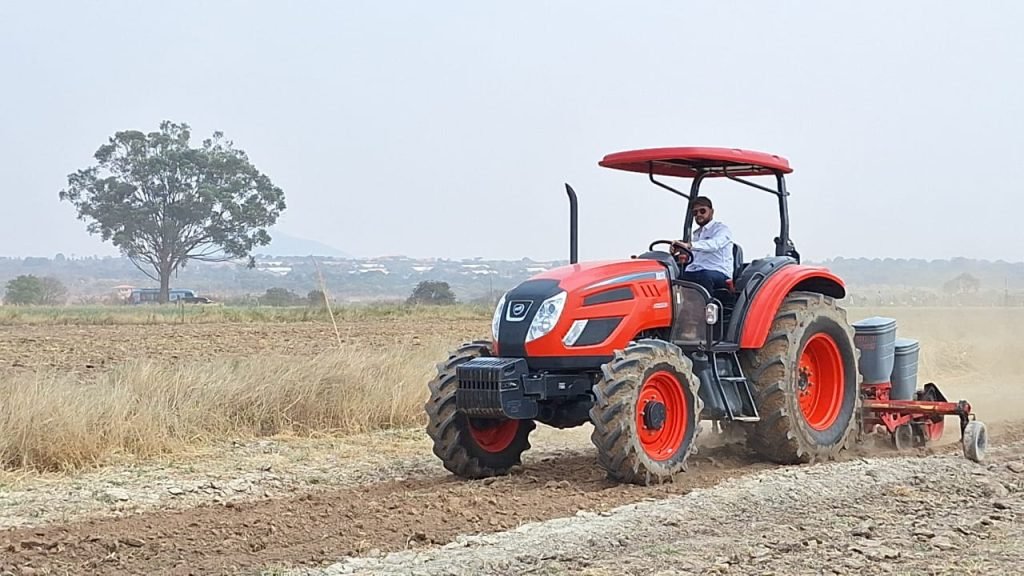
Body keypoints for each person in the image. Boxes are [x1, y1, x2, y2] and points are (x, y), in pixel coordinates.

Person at [671, 196, 733, 293]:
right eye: (695, 213)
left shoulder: (721, 230)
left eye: (702, 211)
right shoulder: (697, 234)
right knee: (676, 278)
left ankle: (709, 307)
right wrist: (682, 250)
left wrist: (689, 245)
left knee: (703, 277)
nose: (699, 214)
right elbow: (695, 255)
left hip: (718, 272)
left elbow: (714, 244)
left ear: (711, 211)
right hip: (697, 270)